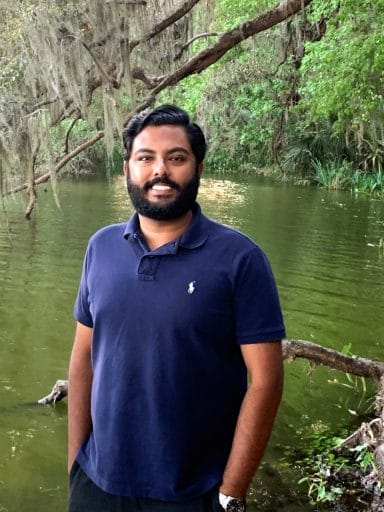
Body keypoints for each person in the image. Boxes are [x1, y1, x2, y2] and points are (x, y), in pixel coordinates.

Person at [67, 105, 285, 512]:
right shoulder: (101, 247)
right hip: (96, 486)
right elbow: (83, 361)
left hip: (193, 493)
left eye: (176, 158)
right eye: (145, 158)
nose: (160, 171)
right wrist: (75, 464)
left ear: (198, 166)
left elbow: (266, 381)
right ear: (128, 167)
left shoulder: (240, 259)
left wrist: (232, 493)